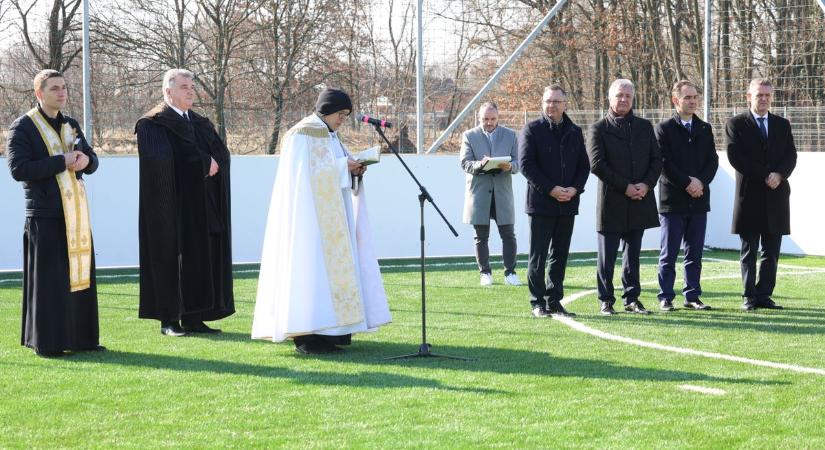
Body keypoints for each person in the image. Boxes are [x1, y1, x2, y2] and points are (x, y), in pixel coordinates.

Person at [251, 88, 391, 354]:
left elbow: (334, 166)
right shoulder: (302, 134)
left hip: (332, 217)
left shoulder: (330, 135)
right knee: (310, 272)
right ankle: (307, 334)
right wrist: (343, 167)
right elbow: (305, 177)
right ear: (327, 109)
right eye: (340, 114)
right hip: (308, 221)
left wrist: (355, 168)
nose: (342, 120)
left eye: (346, 115)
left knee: (329, 276)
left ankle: (330, 334)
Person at [6, 69, 102, 357]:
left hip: (76, 215)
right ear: (39, 93)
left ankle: (83, 339)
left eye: (63, 87)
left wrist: (86, 160)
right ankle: (47, 342)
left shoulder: (71, 124)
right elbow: (18, 169)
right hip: (44, 214)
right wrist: (60, 161)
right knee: (49, 281)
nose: (61, 93)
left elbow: (92, 161)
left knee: (79, 276)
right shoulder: (22, 127)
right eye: (54, 88)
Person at [135, 68, 234, 336]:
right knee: (171, 257)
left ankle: (195, 316)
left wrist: (211, 161)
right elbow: (160, 162)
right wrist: (203, 162)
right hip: (172, 206)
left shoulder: (200, 122)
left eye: (192, 87)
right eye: (184, 87)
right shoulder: (153, 123)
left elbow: (221, 154)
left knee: (201, 258)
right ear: (168, 91)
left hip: (203, 205)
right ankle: (169, 319)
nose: (191, 91)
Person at [587, 79, 662, 315]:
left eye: (628, 96)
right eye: (619, 95)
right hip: (612, 202)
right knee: (607, 256)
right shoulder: (598, 128)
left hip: (639, 199)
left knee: (633, 256)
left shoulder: (644, 126)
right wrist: (626, 187)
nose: (623, 100)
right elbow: (597, 164)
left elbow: (656, 160)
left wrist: (646, 185)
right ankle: (606, 300)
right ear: (610, 98)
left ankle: (632, 298)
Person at [518, 85, 589, 318]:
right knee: (538, 255)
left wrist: (574, 189)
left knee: (560, 254)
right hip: (541, 204)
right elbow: (527, 166)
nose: (552, 105)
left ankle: (554, 301)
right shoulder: (531, 129)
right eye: (548, 101)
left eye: (557, 101)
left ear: (565, 104)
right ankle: (537, 302)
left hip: (568, 203)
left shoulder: (575, 131)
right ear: (542, 103)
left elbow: (584, 166)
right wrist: (551, 189)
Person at [726, 78, 797, 311]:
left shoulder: (782, 124)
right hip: (750, 197)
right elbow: (736, 158)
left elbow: (790, 156)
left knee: (771, 252)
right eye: (759, 95)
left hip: (776, 197)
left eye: (767, 95)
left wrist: (780, 174)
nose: (764, 99)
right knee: (749, 251)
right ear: (749, 97)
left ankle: (764, 295)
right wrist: (767, 174)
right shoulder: (736, 124)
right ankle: (749, 296)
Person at [654, 80, 719, 311]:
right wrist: (687, 183)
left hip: (699, 200)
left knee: (695, 253)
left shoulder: (705, 128)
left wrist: (700, 182)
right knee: (668, 253)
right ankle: (666, 296)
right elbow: (664, 163)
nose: (692, 101)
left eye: (695, 97)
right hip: (673, 201)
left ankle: (692, 295)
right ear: (675, 100)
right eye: (687, 98)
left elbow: (713, 161)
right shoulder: (663, 129)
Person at [459, 102, 521, 287]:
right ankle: (485, 272)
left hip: (502, 193)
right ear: (479, 119)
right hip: (479, 193)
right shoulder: (469, 136)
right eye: (485, 119)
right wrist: (480, 165)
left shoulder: (510, 135)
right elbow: (465, 163)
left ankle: (510, 273)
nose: (489, 122)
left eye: (492, 119)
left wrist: (510, 166)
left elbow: (518, 163)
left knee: (508, 234)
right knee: (481, 236)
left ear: (498, 118)